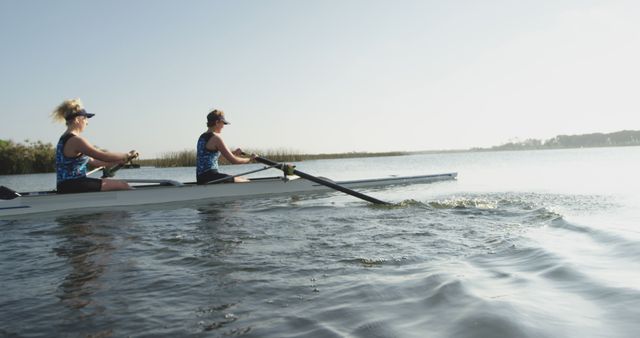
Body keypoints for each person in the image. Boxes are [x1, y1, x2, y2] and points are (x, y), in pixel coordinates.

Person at [51, 98, 138, 194]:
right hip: (73, 184)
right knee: (122, 185)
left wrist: (119, 161)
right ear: (77, 120)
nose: (87, 122)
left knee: (117, 185)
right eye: (85, 118)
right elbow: (103, 156)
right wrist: (126, 154)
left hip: (67, 185)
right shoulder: (76, 140)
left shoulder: (64, 139)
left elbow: (95, 162)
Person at [196, 109, 256, 184]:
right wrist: (250, 159)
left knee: (241, 178)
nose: (223, 126)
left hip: (201, 178)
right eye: (223, 123)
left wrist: (233, 153)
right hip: (211, 177)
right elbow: (234, 161)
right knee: (247, 182)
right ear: (217, 122)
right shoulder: (216, 138)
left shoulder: (202, 137)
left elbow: (217, 157)